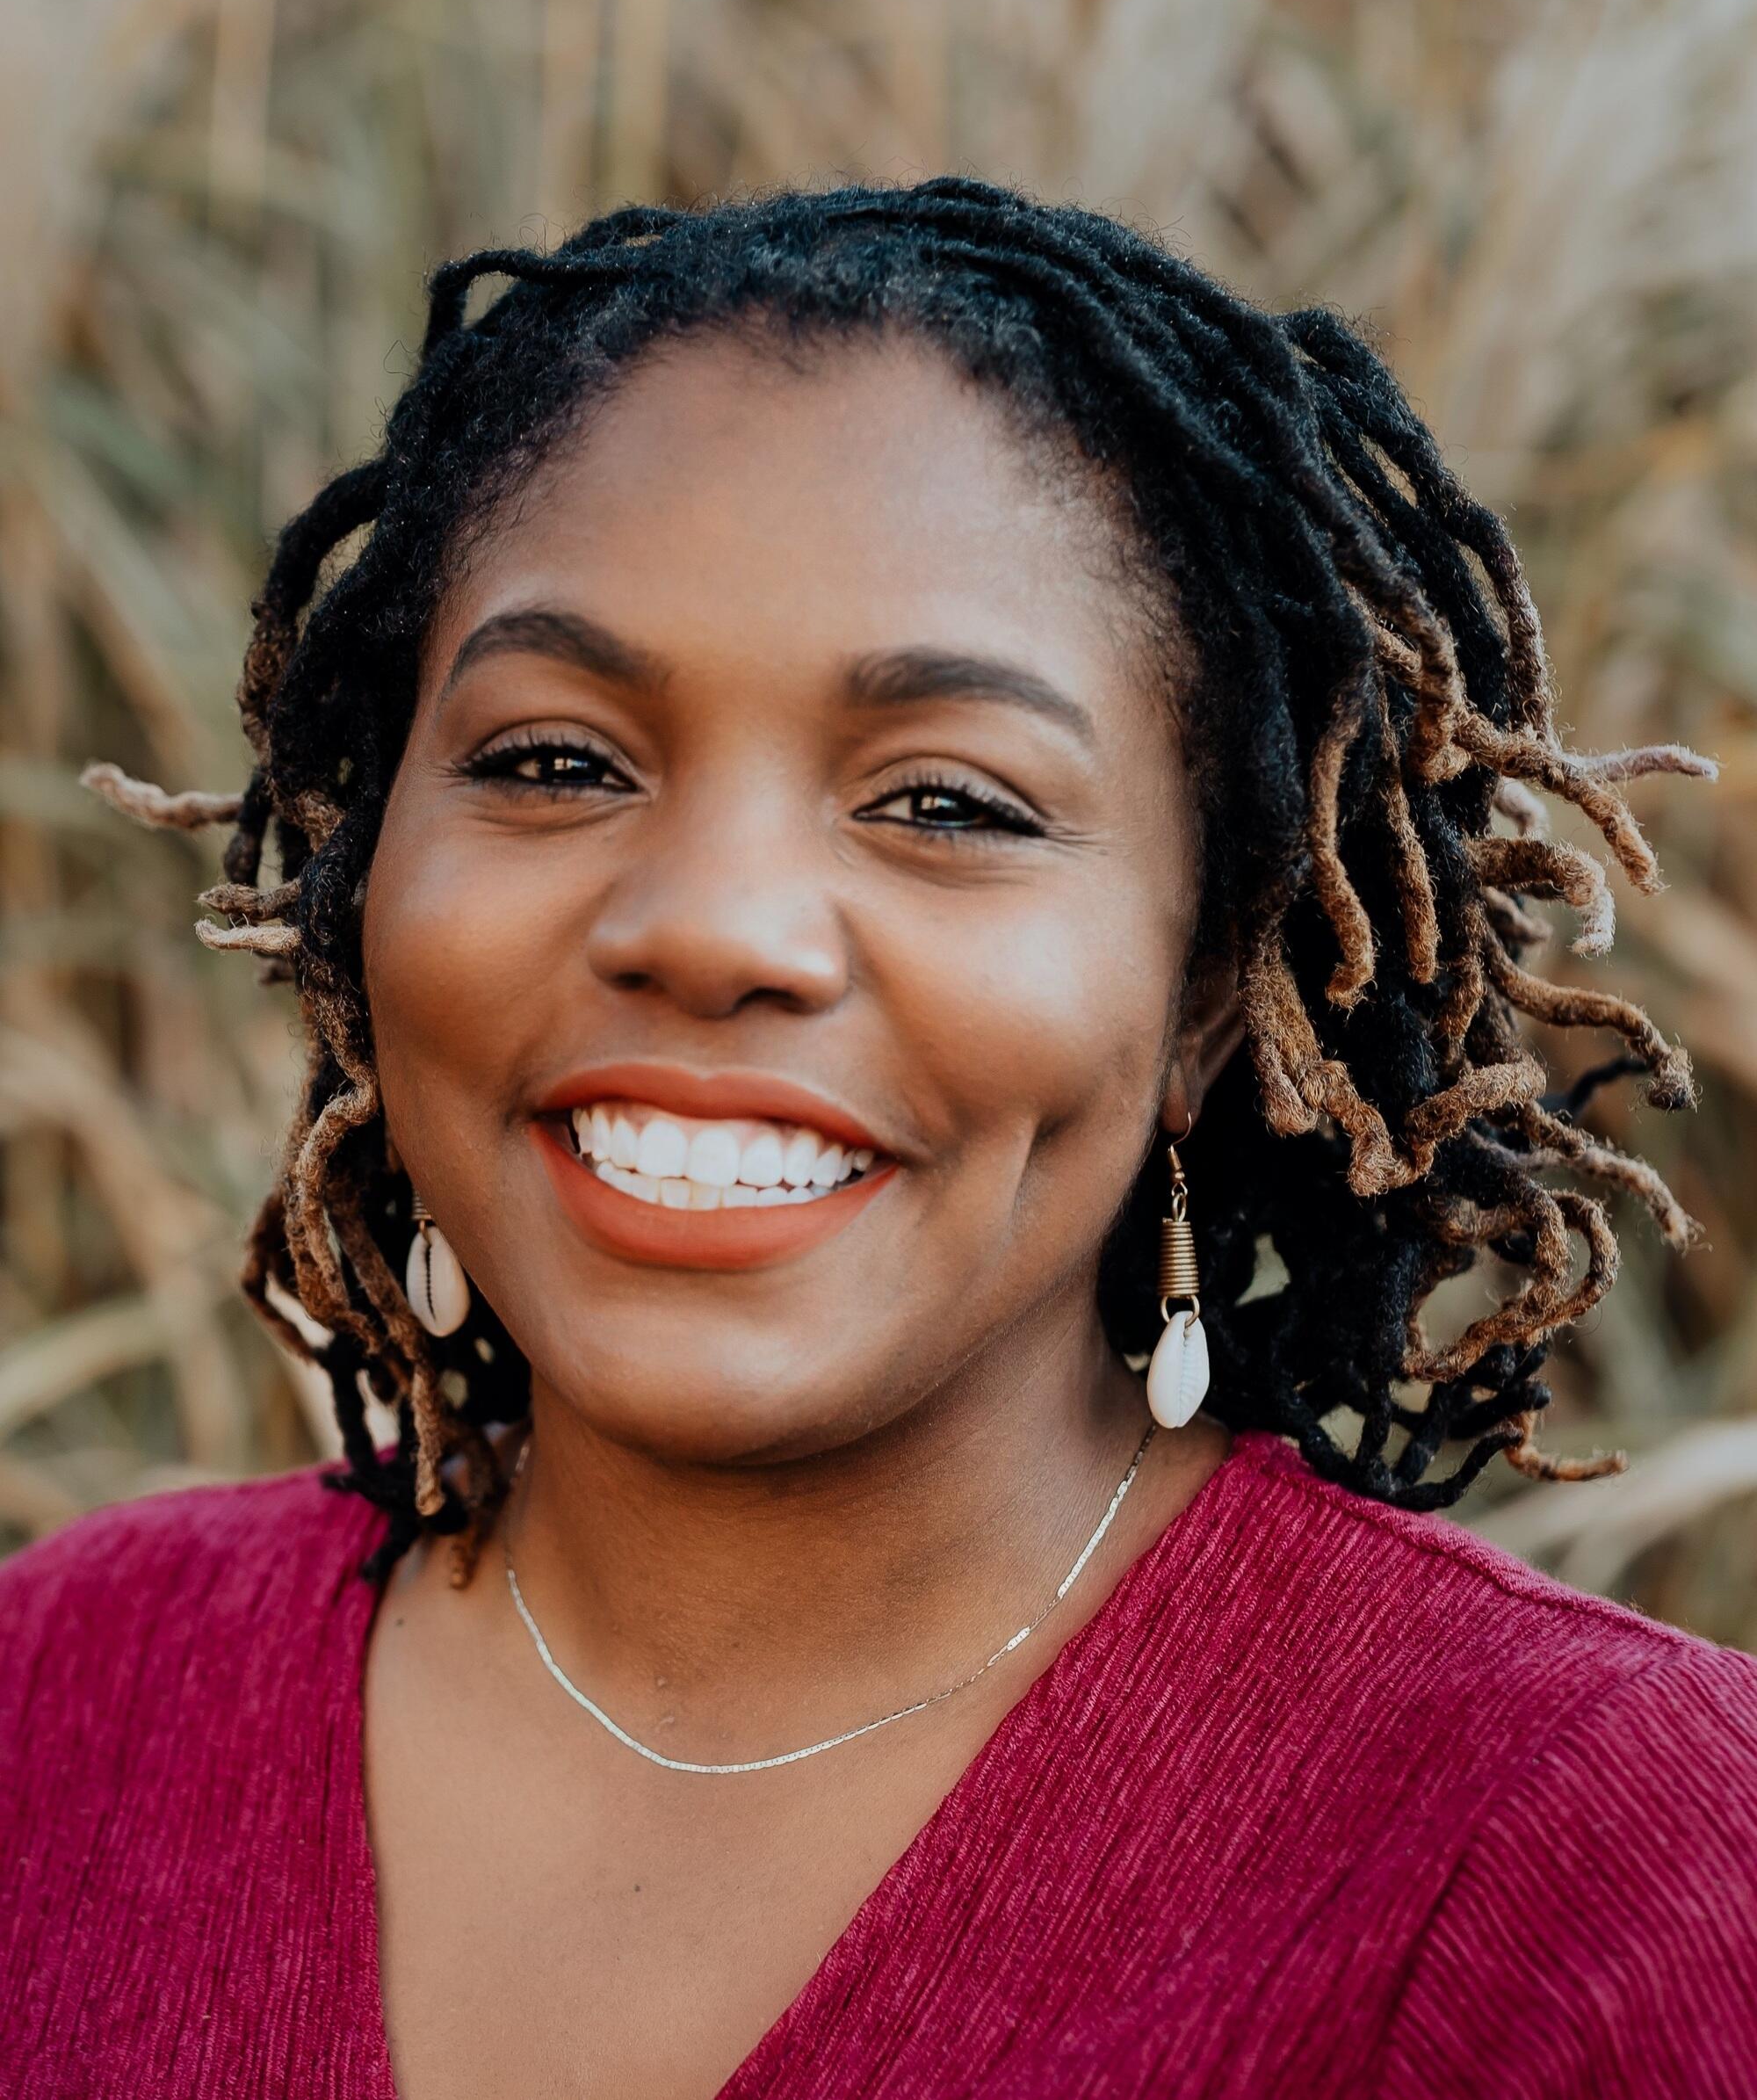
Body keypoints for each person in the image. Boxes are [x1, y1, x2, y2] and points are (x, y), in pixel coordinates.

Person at [3, 178, 1754, 2099]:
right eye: (554, 759)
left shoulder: (1592, 1866)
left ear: (1204, 993)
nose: (713, 924)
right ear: (359, 873)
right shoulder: (62, 1699)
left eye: (944, 798)